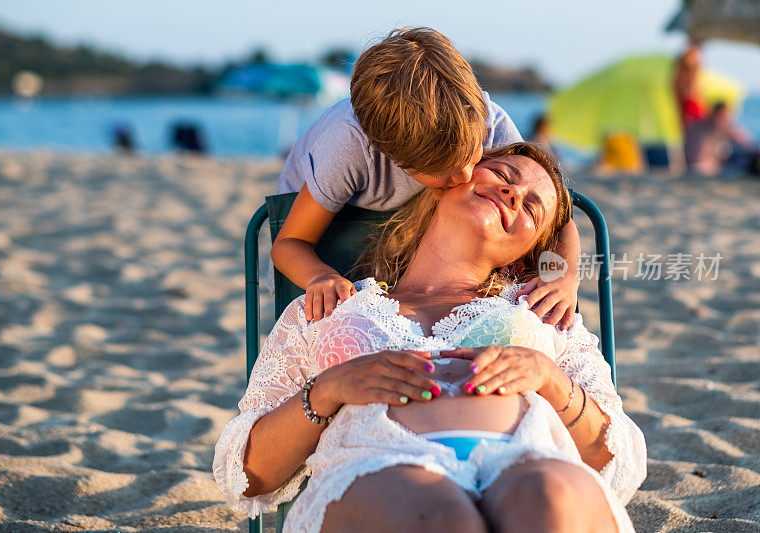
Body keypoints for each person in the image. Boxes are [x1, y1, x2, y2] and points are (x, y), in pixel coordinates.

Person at [214, 143, 647, 532]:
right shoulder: (327, 306)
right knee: (440, 519)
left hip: (527, 458)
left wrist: (551, 380)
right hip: (382, 462)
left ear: (525, 255)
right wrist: (327, 390)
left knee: (548, 500)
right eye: (503, 175)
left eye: (533, 208)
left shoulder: (546, 311)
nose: (515, 195)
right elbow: (248, 474)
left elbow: (618, 461)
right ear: (448, 179)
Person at [271, 27, 582, 331]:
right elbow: (290, 242)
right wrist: (318, 276)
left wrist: (565, 275)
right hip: (329, 221)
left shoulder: (488, 122)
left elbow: (558, 215)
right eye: (443, 171)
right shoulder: (348, 149)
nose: (465, 175)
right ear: (393, 157)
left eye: (472, 154)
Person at [684, 102, 757, 176]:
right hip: (707, 170)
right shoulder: (721, 126)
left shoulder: (696, 124)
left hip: (688, 168)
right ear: (721, 114)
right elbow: (747, 143)